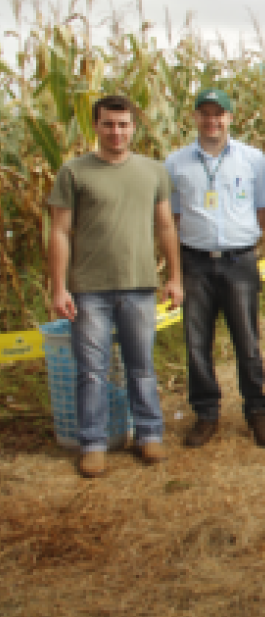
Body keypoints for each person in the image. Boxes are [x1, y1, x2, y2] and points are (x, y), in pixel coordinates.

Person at [47, 95, 183, 478]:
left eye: (123, 124)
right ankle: (93, 443)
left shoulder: (153, 172)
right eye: (108, 124)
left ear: (133, 127)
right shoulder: (74, 172)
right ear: (96, 126)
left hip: (139, 286)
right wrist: (60, 288)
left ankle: (149, 434)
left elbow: (166, 227)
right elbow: (58, 232)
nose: (116, 131)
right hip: (89, 289)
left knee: (141, 367)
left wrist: (174, 277)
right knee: (92, 371)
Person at [164, 88, 265, 448]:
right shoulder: (176, 163)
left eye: (220, 114)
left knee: (247, 340)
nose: (212, 121)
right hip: (195, 262)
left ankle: (257, 412)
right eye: (205, 114)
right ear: (195, 117)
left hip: (239, 261)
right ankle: (206, 414)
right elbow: (172, 215)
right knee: (197, 342)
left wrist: (242, 237)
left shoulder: (252, 159)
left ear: (231, 118)